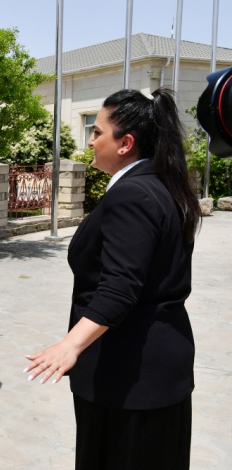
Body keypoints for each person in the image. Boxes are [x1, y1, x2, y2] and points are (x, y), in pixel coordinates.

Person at [24, 88, 201, 470]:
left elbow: (121, 287)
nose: (90, 140)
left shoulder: (133, 195)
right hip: (157, 371)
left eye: (97, 132)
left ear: (126, 144)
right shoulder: (160, 184)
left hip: (129, 376)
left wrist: (71, 345)